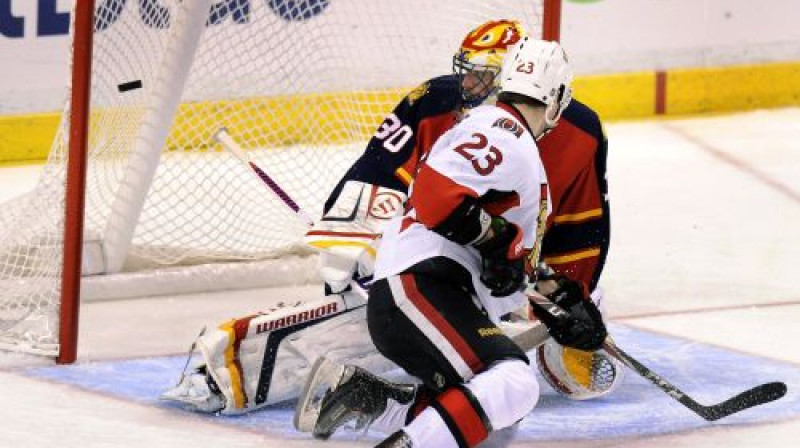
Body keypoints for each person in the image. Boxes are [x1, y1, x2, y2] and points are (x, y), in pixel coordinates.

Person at [161, 19, 621, 416]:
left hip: (509, 277)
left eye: (483, 80)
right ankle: (231, 368)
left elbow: (580, 229)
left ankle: (410, 394)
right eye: (470, 76)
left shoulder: (578, 133)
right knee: (373, 322)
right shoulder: (435, 101)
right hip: (433, 263)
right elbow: (377, 175)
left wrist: (568, 295)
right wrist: (357, 253)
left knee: (568, 376)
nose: (468, 90)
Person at [293, 38, 608, 448]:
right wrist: (498, 239)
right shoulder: (503, 131)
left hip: (436, 293)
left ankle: (370, 400)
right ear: (557, 99)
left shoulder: (505, 137)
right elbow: (435, 197)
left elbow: (506, 262)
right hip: (420, 287)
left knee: (498, 413)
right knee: (514, 381)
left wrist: (563, 302)